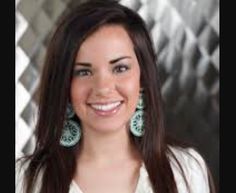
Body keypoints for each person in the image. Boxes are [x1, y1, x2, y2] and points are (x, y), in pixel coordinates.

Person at [15, 0, 216, 193]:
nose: (103, 88)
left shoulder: (186, 170)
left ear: (143, 78)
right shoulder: (25, 179)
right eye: (83, 72)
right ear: (64, 85)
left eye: (120, 68)